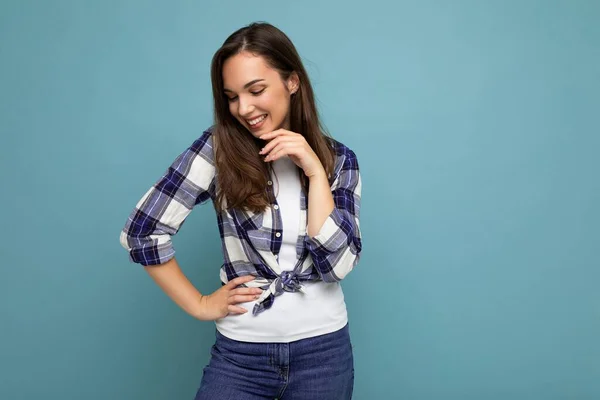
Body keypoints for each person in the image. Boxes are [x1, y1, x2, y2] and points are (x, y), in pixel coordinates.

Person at [120, 22, 362, 400]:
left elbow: (338, 266)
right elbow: (142, 231)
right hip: (241, 356)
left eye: (256, 90)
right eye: (232, 96)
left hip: (324, 356)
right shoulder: (218, 149)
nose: (243, 108)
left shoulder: (339, 160)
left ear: (292, 82)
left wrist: (314, 170)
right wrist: (200, 304)